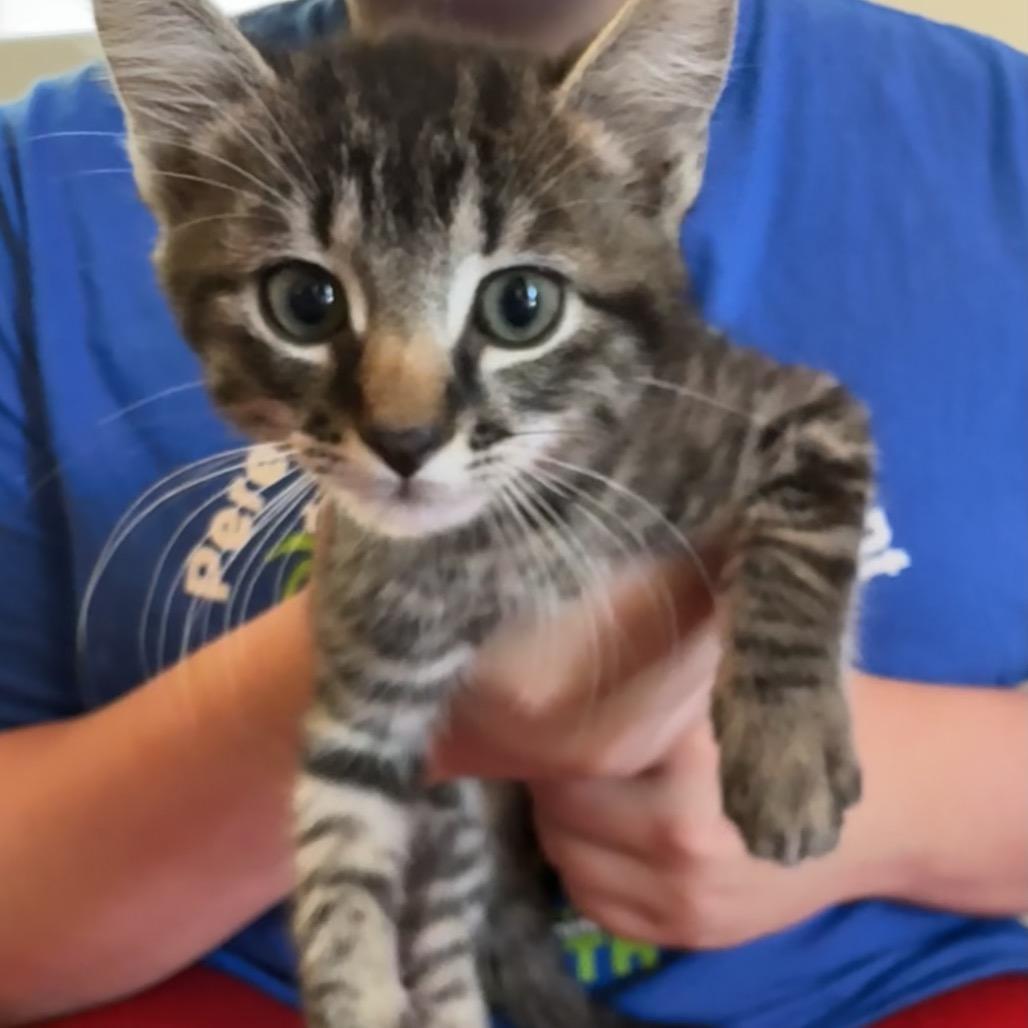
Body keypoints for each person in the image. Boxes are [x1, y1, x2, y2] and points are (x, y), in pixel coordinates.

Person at [1, 0, 1026, 1025]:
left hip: (904, 984)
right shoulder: (38, 192)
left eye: (516, 306)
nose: (404, 421)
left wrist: (902, 804)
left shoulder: (994, 127)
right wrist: (362, 676)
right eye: (307, 305)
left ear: (655, 161)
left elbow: (806, 438)